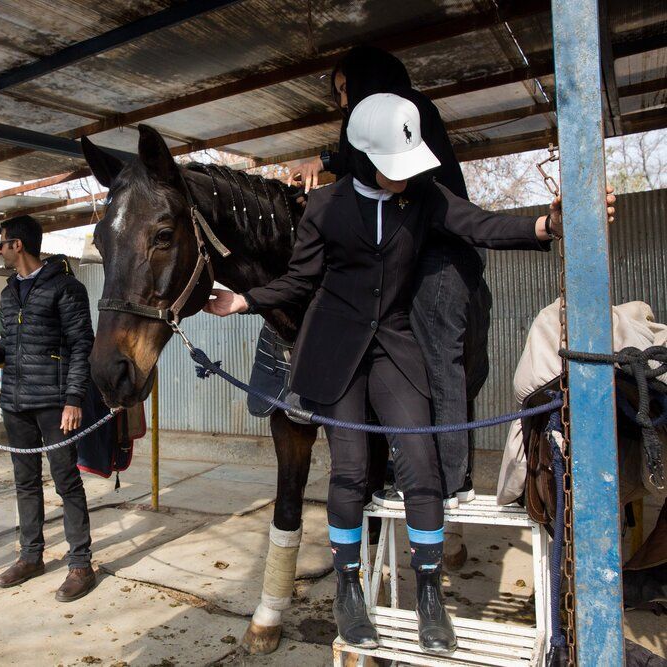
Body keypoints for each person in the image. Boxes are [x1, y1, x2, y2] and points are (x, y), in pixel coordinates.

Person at [205, 93, 614, 654]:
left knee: (420, 466)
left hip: (394, 344)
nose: (407, 175)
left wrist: (547, 224)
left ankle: (428, 596)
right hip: (332, 348)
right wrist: (244, 302)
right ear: (368, 156)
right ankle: (348, 589)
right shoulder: (324, 207)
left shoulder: (422, 198)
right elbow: (300, 282)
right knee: (349, 469)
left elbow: (482, 225)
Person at [291, 46, 486, 516]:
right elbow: (361, 158)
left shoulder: (406, 111)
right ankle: (435, 474)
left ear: (366, 80)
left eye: (344, 90)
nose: (342, 103)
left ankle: (447, 482)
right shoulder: (408, 113)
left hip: (443, 249)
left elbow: (373, 152)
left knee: (439, 360)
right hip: (433, 245)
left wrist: (326, 161)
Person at [0, 215, 97, 602]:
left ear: (17, 245)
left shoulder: (66, 287)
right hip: (15, 402)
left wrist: (73, 399)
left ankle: (81, 564)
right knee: (25, 482)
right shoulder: (8, 292)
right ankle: (31, 556)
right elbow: (11, 342)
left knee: (67, 480)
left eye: (1, 243)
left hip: (54, 402)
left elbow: (82, 344)